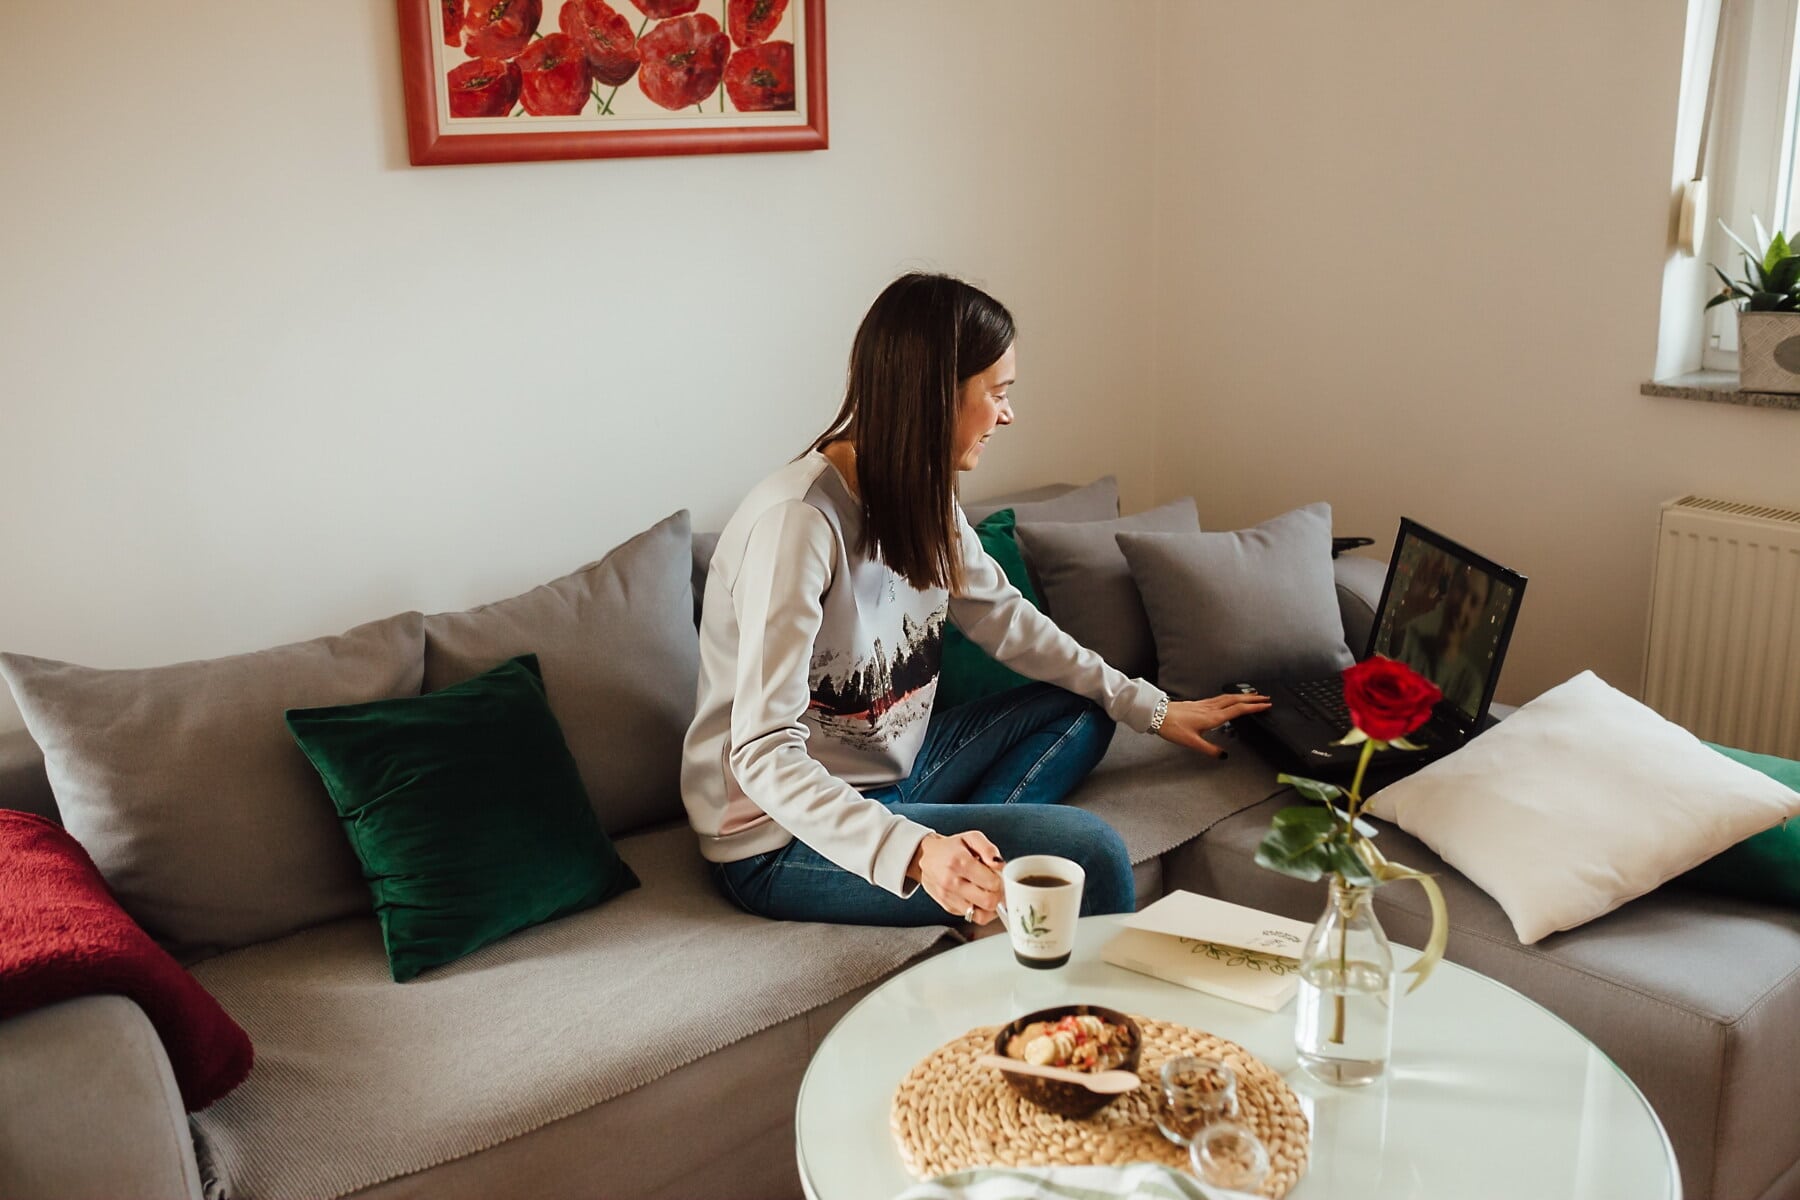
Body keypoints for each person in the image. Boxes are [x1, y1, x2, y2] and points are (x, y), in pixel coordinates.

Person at [680, 273, 1270, 929]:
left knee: (1084, 704)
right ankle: (1015, 930)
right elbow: (762, 753)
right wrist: (914, 850)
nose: (1008, 414)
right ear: (936, 399)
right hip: (780, 838)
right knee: (1094, 850)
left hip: (896, 776)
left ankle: (974, 876)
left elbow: (1010, 624)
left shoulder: (920, 494)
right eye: (997, 393)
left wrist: (1152, 708)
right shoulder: (797, 524)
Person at [1395, 563, 1492, 715]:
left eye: (1474, 602)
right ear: (1449, 587)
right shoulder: (1409, 642)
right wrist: (1407, 609)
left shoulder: (1471, 684)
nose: (1462, 608)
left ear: (1479, 617)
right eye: (1461, 588)